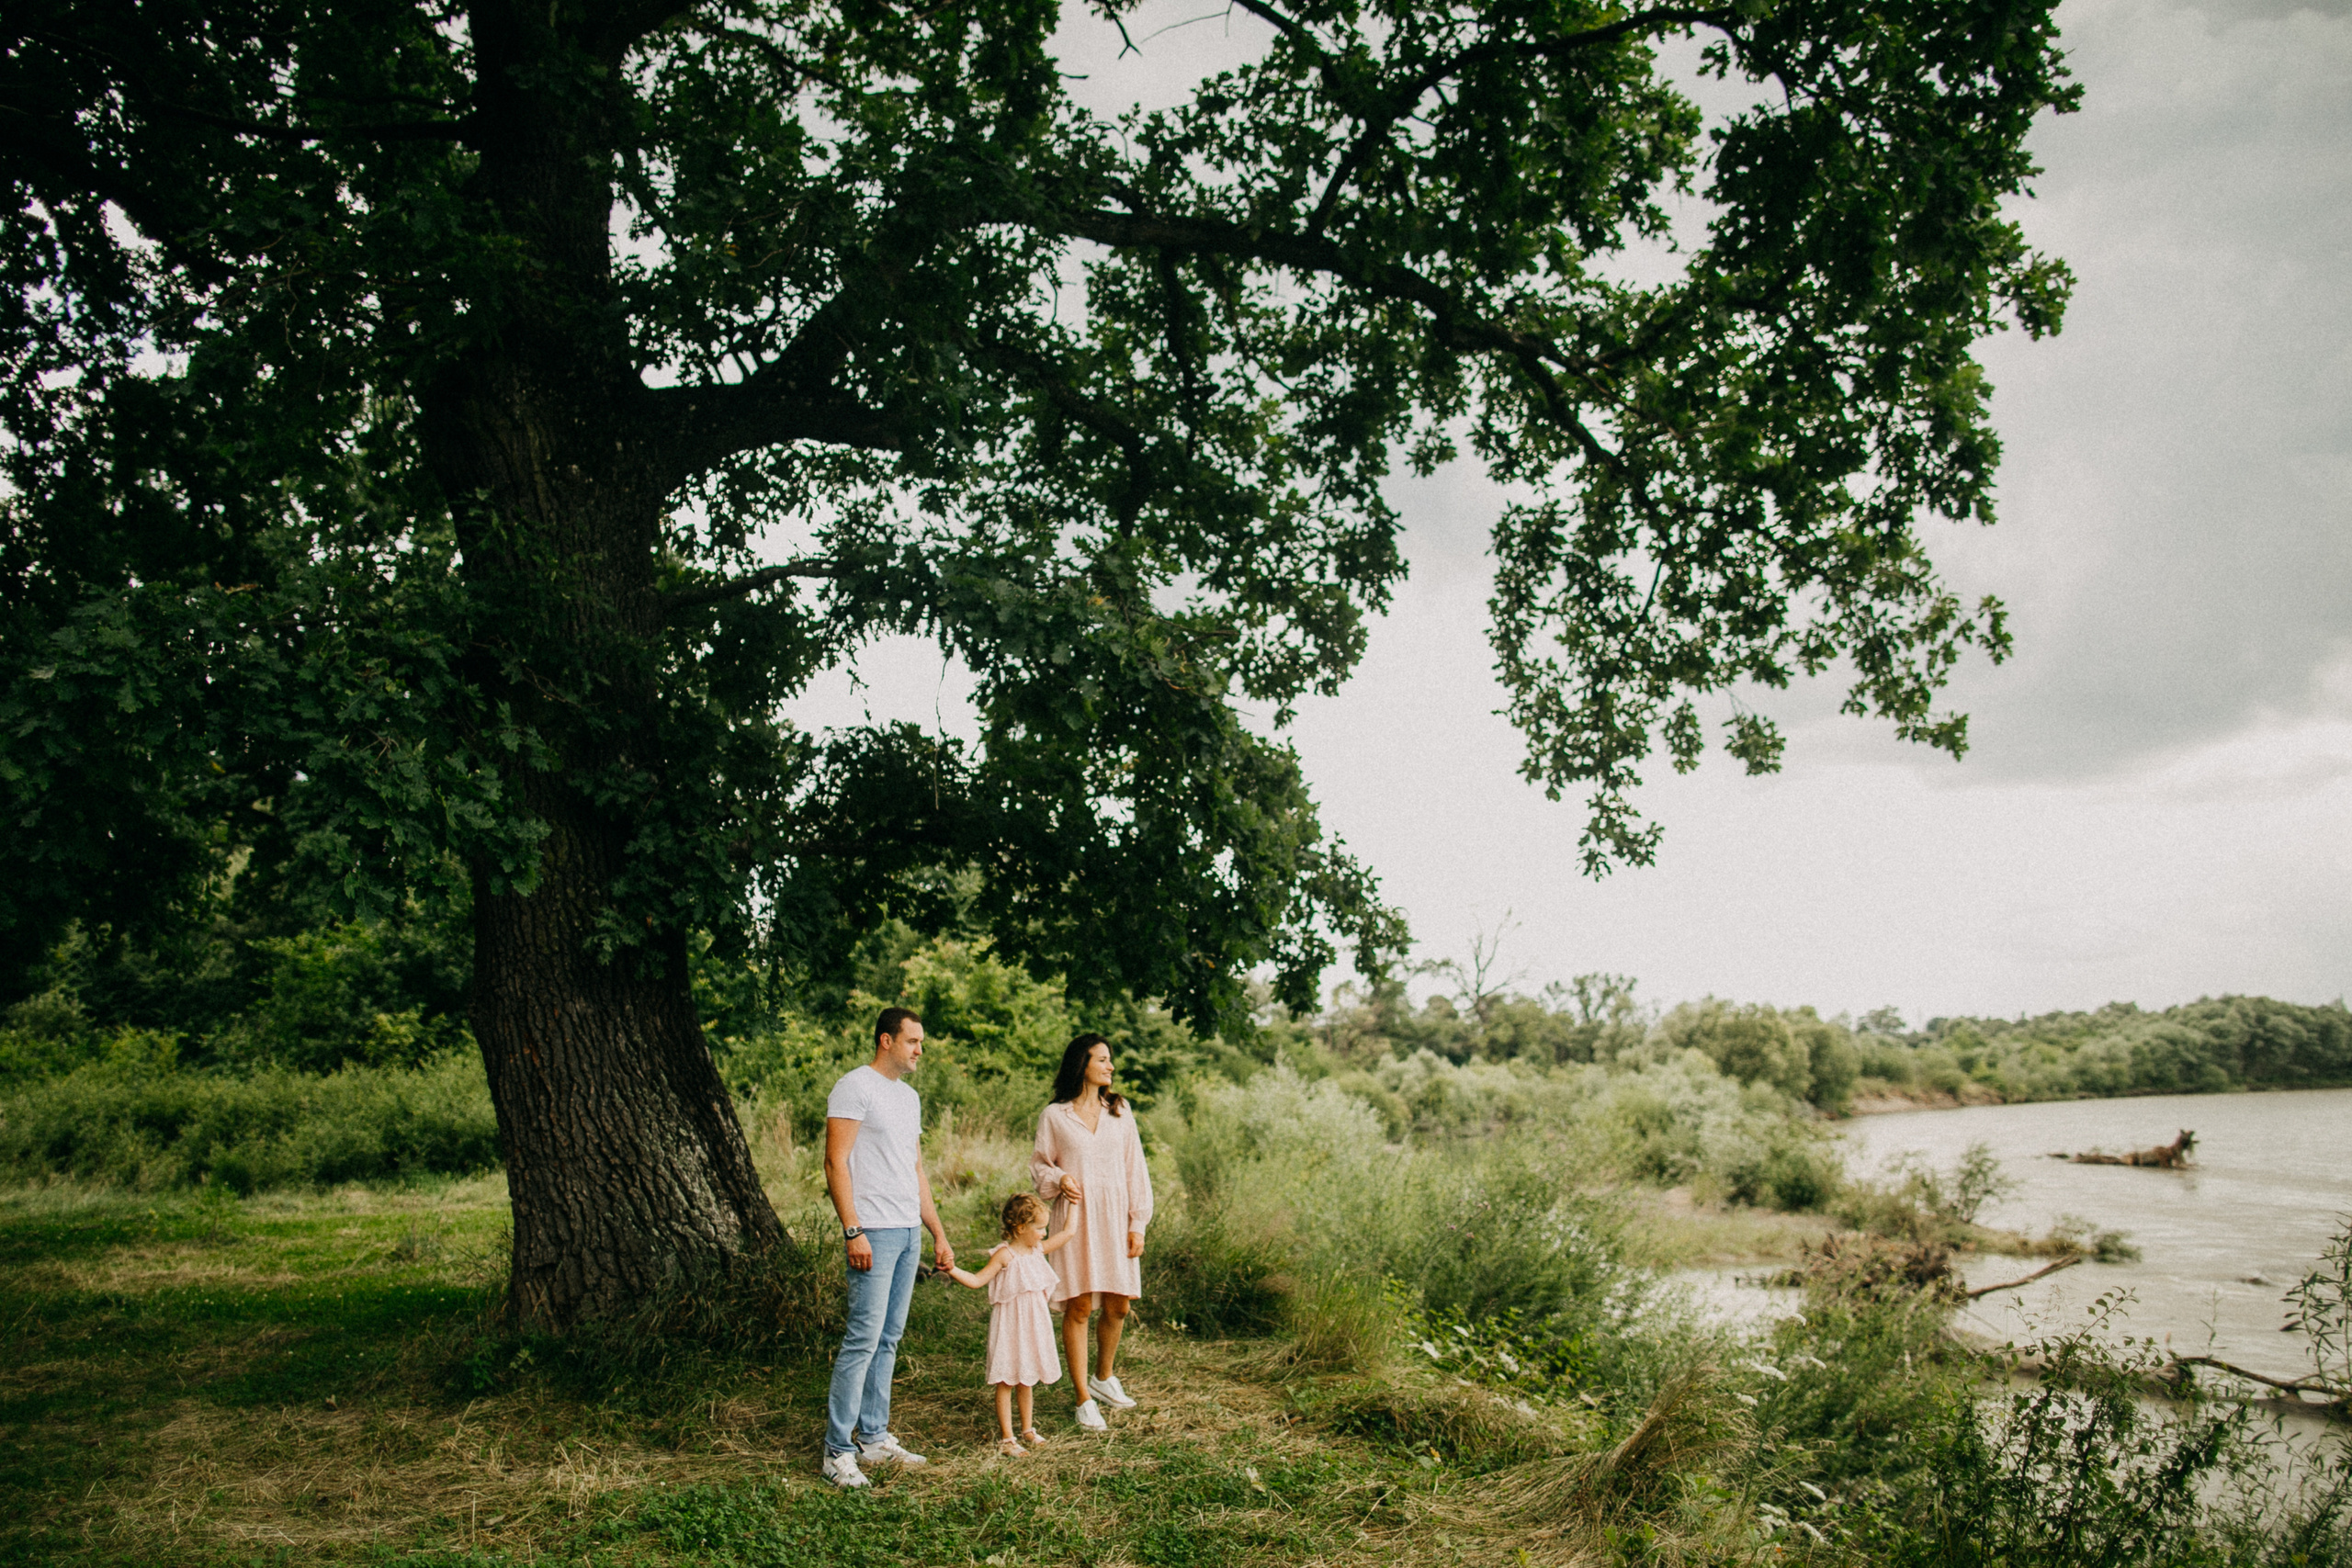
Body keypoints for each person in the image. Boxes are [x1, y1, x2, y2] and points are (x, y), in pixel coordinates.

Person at [820, 1006, 956, 1488]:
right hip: (872, 1230)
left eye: (921, 1042)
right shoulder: (854, 1086)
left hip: (907, 1231)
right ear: (886, 1041)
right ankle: (838, 1451)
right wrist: (852, 1229)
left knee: (888, 1339)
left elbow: (915, 1170)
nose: (920, 1050)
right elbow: (836, 1162)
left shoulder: (910, 1098)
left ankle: (874, 1438)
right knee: (862, 1338)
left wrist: (937, 1233)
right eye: (913, 1041)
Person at [1030, 1032, 1153, 1431]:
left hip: (1117, 1217)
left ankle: (1104, 1378)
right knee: (1079, 1306)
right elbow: (1040, 1167)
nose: (1110, 1066)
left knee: (1119, 1305)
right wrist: (1060, 1176)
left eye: (1110, 1060)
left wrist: (1138, 1223)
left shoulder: (1120, 1111)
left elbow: (1136, 1169)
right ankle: (1082, 1397)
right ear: (1081, 1064)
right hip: (1076, 1219)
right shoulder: (1055, 1116)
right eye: (1102, 1059)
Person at [945, 1191, 1077, 1455]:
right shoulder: (1005, 1256)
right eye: (1039, 1228)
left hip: (1033, 1325)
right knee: (1007, 1379)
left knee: (1026, 1378)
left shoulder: (1036, 1250)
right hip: (1010, 1326)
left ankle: (1027, 1429)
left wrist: (1073, 1202)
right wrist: (950, 1269)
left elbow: (1068, 1233)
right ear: (1020, 1228)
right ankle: (1007, 1438)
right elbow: (976, 1280)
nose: (1044, 1233)